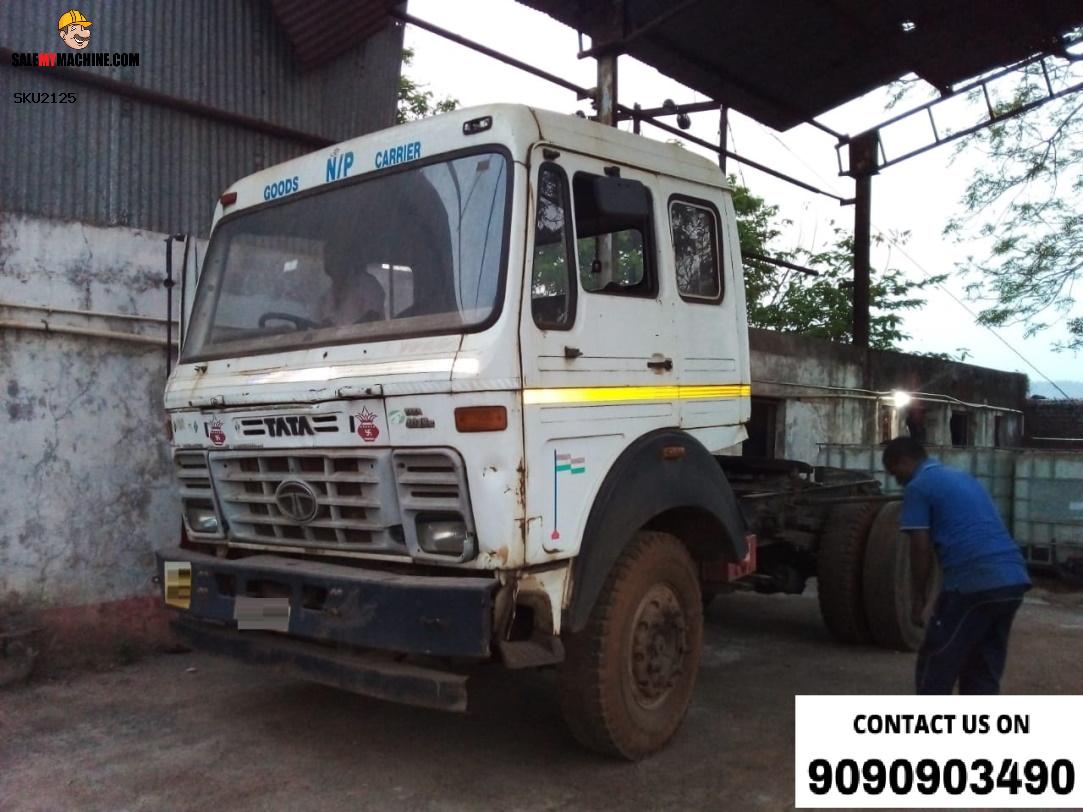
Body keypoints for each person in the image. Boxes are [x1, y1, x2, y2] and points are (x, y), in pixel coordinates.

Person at [881, 437, 1030, 695]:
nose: (897, 480)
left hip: (975, 582)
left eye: (895, 472)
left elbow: (920, 546)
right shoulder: (963, 478)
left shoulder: (918, 487)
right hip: (1013, 579)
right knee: (983, 665)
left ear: (904, 461)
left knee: (936, 660)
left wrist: (919, 597)